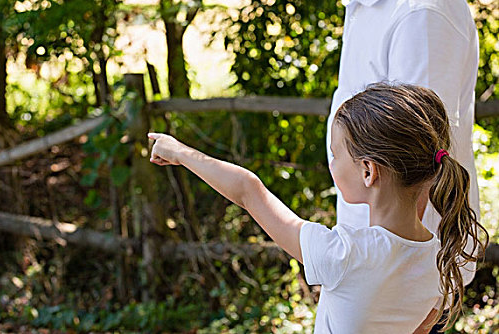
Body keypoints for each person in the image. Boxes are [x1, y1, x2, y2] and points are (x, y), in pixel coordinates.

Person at [148, 83, 488, 333]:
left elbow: (248, 191)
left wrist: (179, 151)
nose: (331, 162)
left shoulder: (344, 255)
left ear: (368, 171)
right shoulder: (437, 260)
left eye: (336, 154)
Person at [329, 0, 481, 329]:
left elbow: (417, 156)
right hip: (368, 277)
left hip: (392, 288)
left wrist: (404, 299)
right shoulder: (371, 3)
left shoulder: (421, 11)